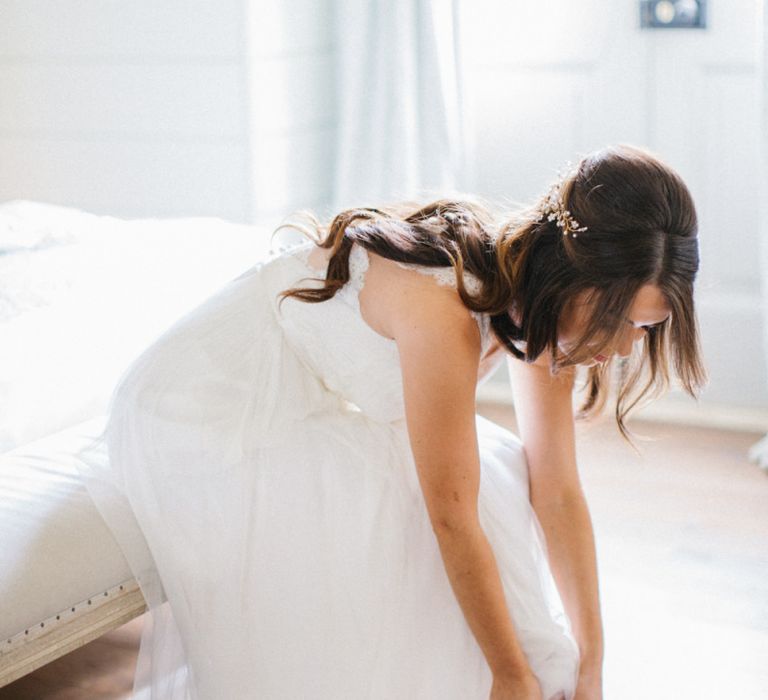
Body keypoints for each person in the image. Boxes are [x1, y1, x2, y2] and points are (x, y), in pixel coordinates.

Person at [77, 143, 705, 700]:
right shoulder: (444, 308)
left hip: (306, 406)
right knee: (444, 512)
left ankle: (554, 672)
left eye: (645, 329)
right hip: (203, 413)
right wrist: (508, 674)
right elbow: (451, 515)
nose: (623, 348)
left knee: (508, 477)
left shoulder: (547, 313)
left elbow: (559, 487)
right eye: (619, 319)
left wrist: (594, 657)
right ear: (569, 278)